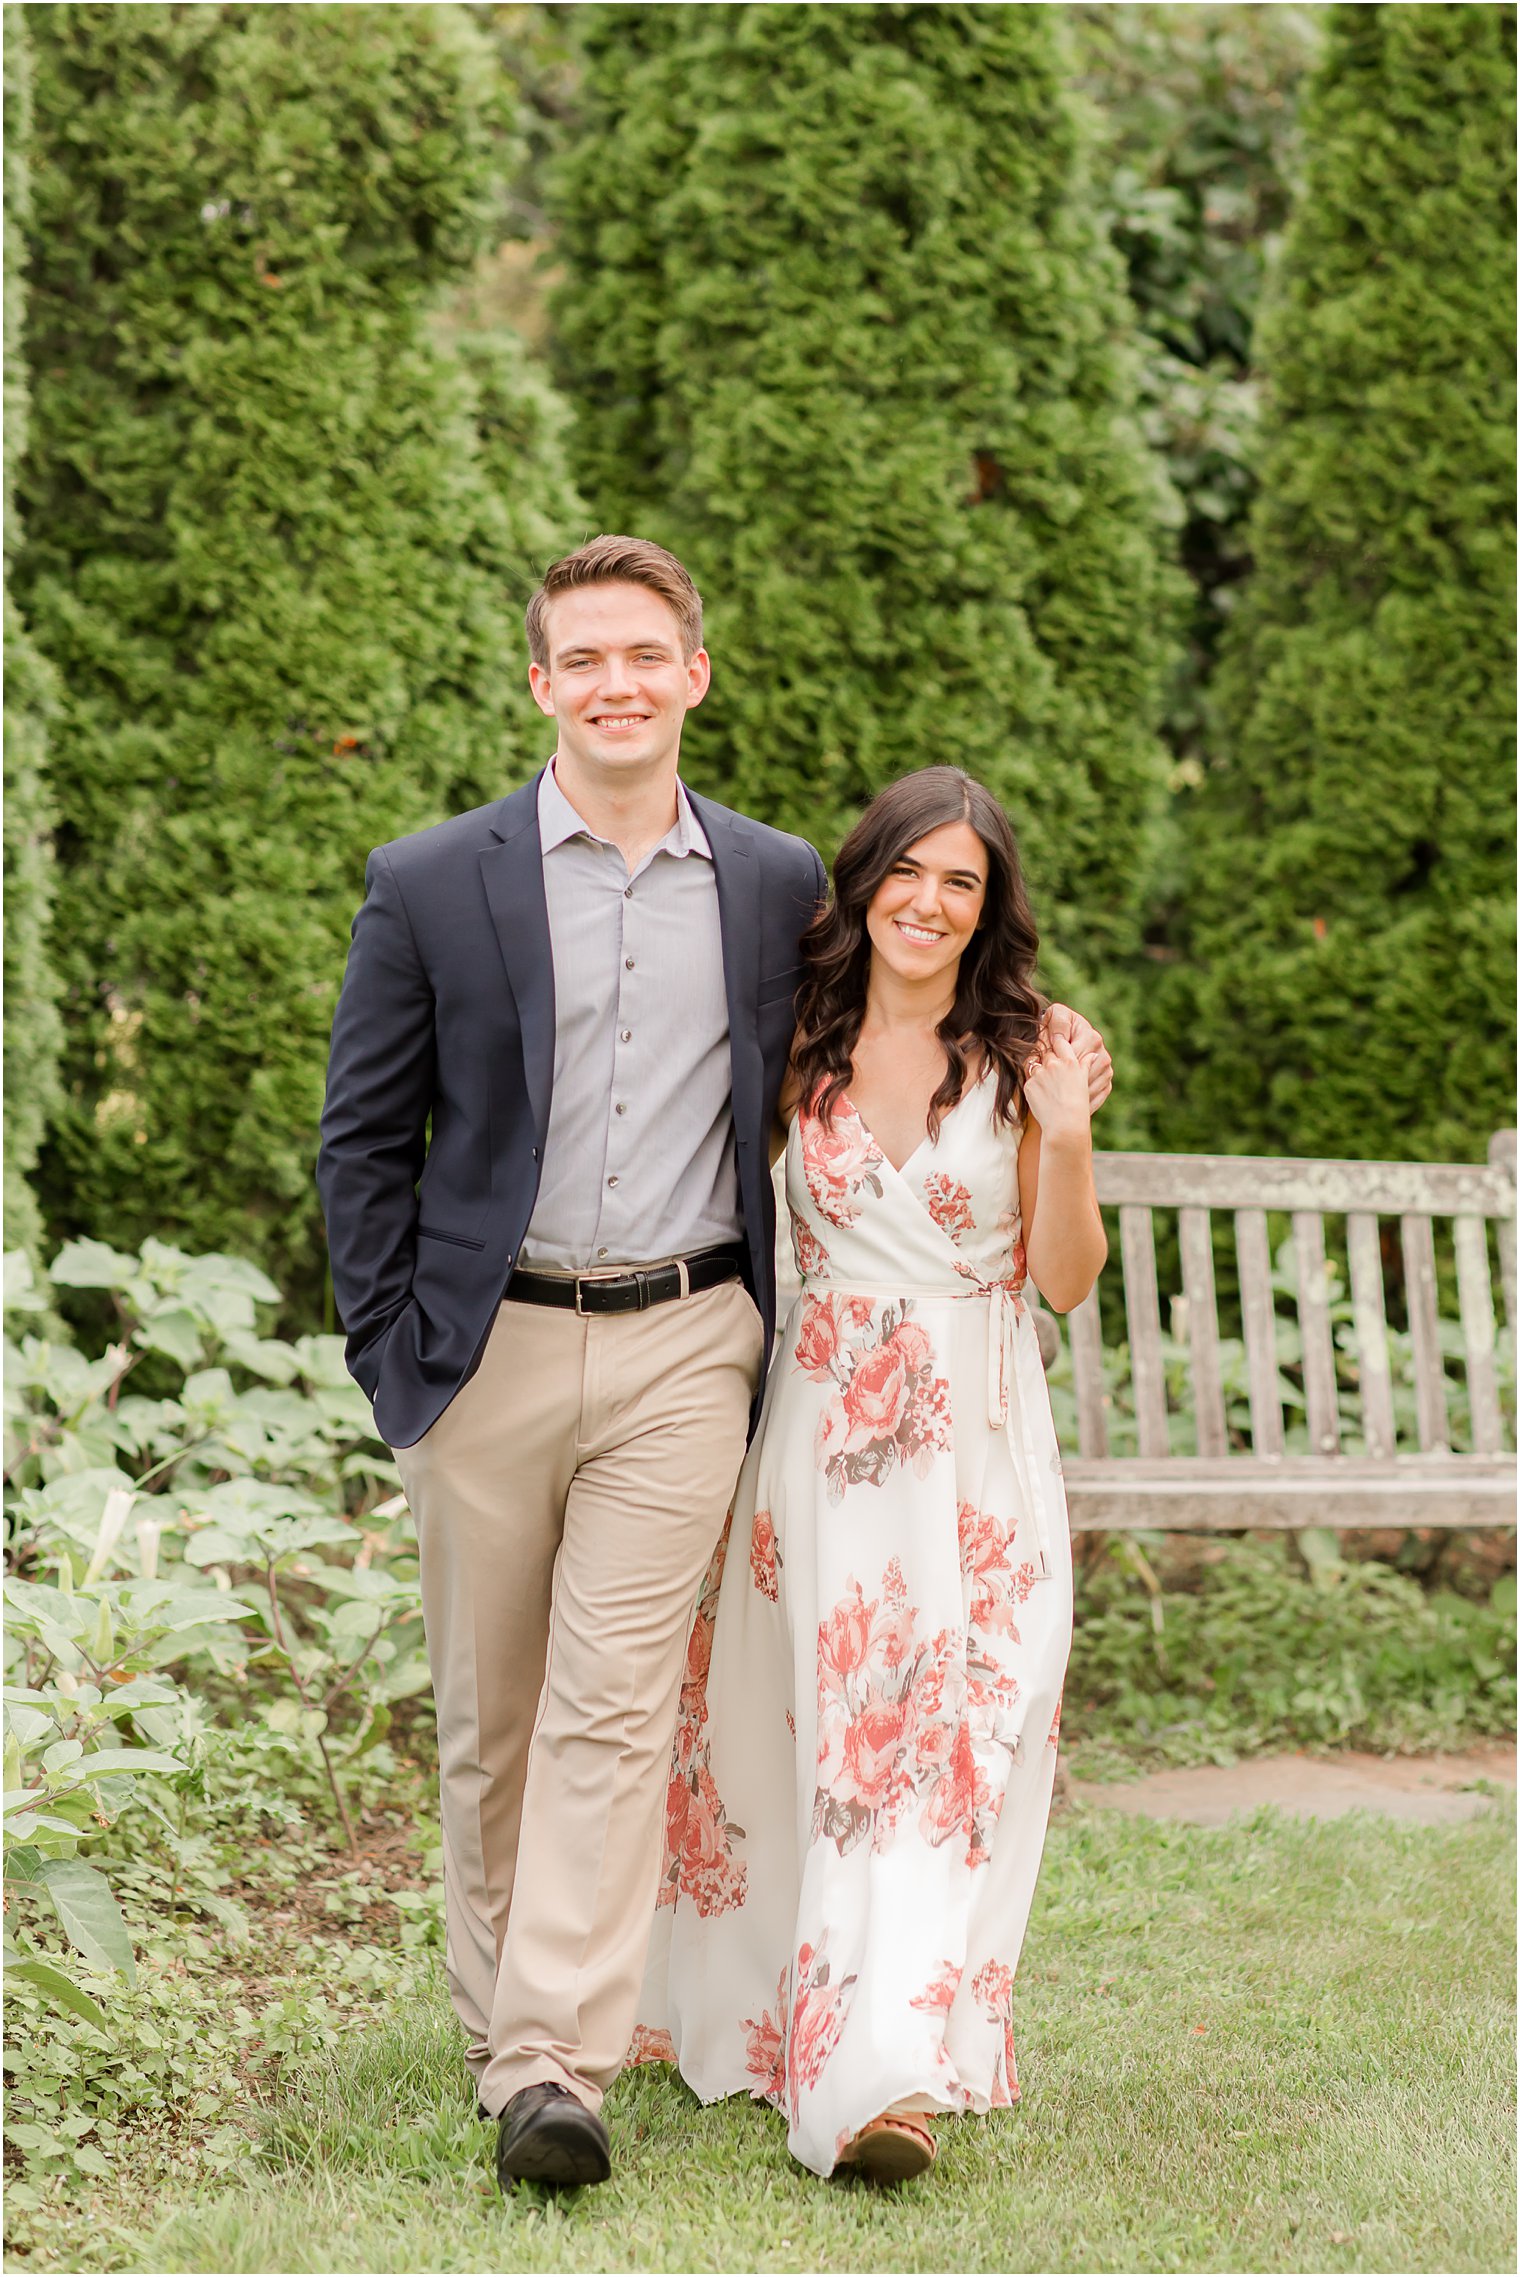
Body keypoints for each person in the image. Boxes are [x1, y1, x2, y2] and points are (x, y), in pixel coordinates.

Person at [317, 535, 1111, 2192]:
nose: (616, 682)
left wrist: (1052, 1089)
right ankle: (495, 2026)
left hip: (690, 1340)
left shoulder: (766, 886)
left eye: (645, 654)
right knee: (492, 1718)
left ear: (694, 673)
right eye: (582, 657)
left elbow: (904, 1026)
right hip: (488, 1348)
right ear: (542, 682)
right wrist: (400, 1354)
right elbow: (361, 1141)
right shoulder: (429, 879)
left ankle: (556, 2064)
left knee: (615, 1707)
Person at [636, 765, 1105, 2182]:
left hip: (974, 1445)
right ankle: (830, 2058)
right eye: (910, 869)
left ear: (990, 908)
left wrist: (1068, 1132)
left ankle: (887, 2063)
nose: (930, 900)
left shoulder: (1035, 1052)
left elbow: (1069, 1284)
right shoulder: (798, 1045)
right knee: (820, 1744)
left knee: (943, 1750)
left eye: (962, 880)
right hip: (824, 1444)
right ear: (866, 880)